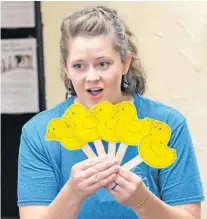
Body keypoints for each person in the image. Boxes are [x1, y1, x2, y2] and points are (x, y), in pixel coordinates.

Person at [17, 5, 204, 219]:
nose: (91, 76)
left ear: (125, 63)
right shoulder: (40, 132)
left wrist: (143, 201)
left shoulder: (167, 124)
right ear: (66, 69)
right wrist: (73, 193)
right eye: (79, 66)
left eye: (103, 64)